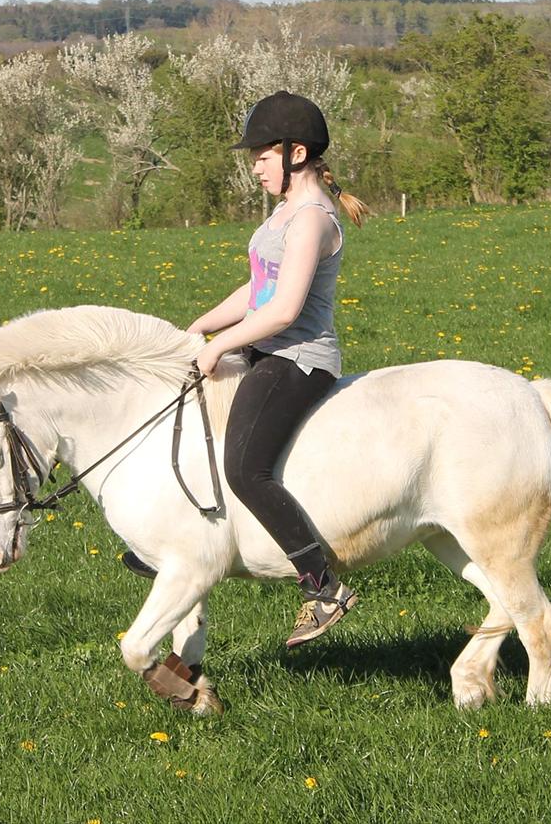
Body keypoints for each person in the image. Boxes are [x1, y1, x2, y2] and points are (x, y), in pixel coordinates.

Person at [125, 91, 369, 649]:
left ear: (298, 153)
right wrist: (199, 326)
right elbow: (258, 288)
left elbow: (284, 310)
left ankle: (323, 586)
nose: (255, 164)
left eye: (263, 154)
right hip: (264, 349)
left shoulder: (312, 220)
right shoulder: (283, 213)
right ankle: (171, 542)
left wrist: (218, 348)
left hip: (298, 359)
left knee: (245, 468)